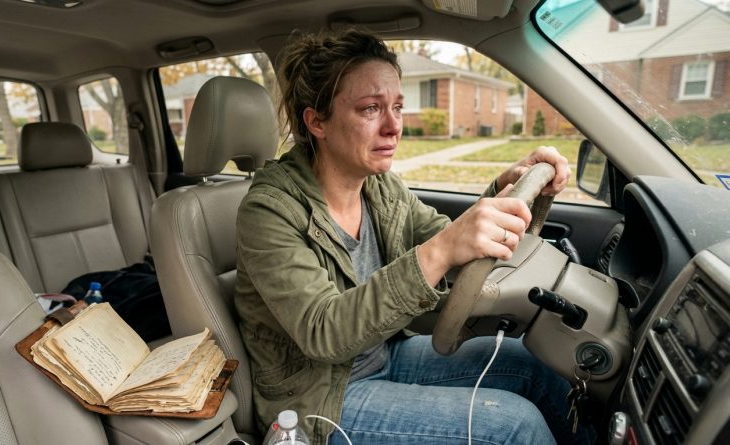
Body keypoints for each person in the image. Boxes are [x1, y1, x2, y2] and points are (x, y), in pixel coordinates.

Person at [235, 29, 592, 445]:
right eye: (371, 108)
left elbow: (452, 241)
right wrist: (440, 251)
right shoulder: (269, 210)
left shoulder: (380, 187)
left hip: (386, 352)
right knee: (515, 426)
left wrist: (503, 193)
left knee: (536, 365)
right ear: (317, 122)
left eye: (398, 107)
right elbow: (323, 331)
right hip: (321, 399)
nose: (393, 127)